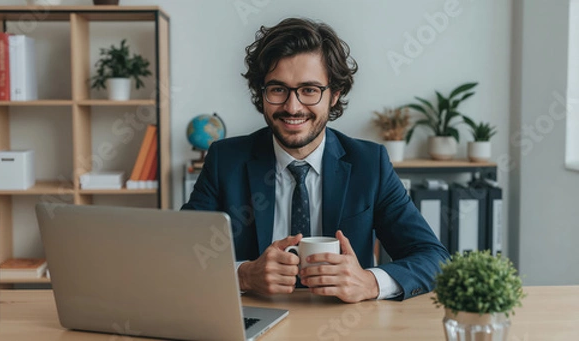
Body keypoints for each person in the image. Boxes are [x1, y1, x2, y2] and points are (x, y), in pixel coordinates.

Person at [182, 17, 449, 303]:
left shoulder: (370, 164)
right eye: (278, 89)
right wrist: (244, 275)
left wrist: (369, 282)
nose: (292, 107)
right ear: (261, 94)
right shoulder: (226, 160)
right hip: (252, 321)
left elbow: (434, 258)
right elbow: (178, 253)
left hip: (345, 324)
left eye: (309, 90)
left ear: (334, 94)